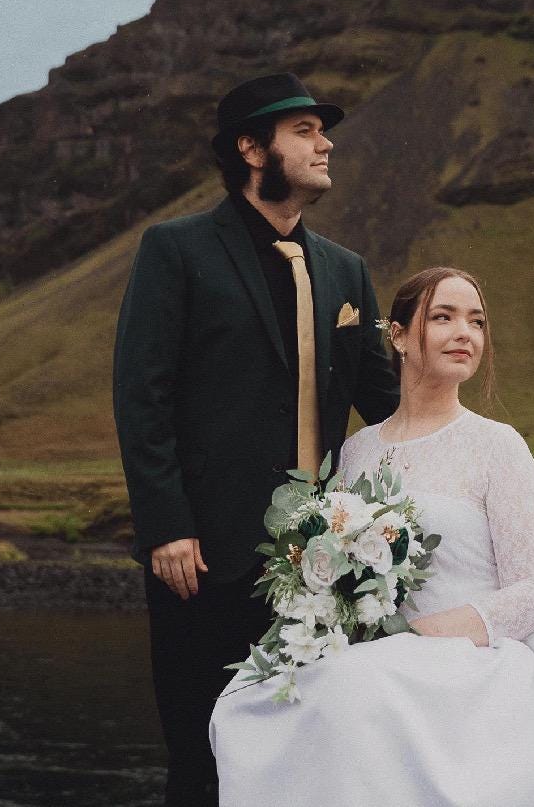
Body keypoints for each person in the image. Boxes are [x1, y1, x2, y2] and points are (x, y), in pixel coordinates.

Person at [113, 72, 400, 807]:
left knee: (305, 763)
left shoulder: (346, 270)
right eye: (303, 130)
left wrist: (471, 442)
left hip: (322, 568)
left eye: (321, 129)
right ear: (250, 146)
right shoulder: (175, 250)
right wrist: (168, 525)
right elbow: (142, 394)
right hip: (204, 557)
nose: (324, 141)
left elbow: (388, 403)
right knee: (202, 757)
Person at [210, 266, 534, 807]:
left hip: (476, 652)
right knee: (247, 695)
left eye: (477, 321)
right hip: (376, 648)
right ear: (397, 337)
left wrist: (428, 635)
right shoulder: (359, 450)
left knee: (355, 688)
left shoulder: (497, 446)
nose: (466, 333)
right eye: (444, 317)